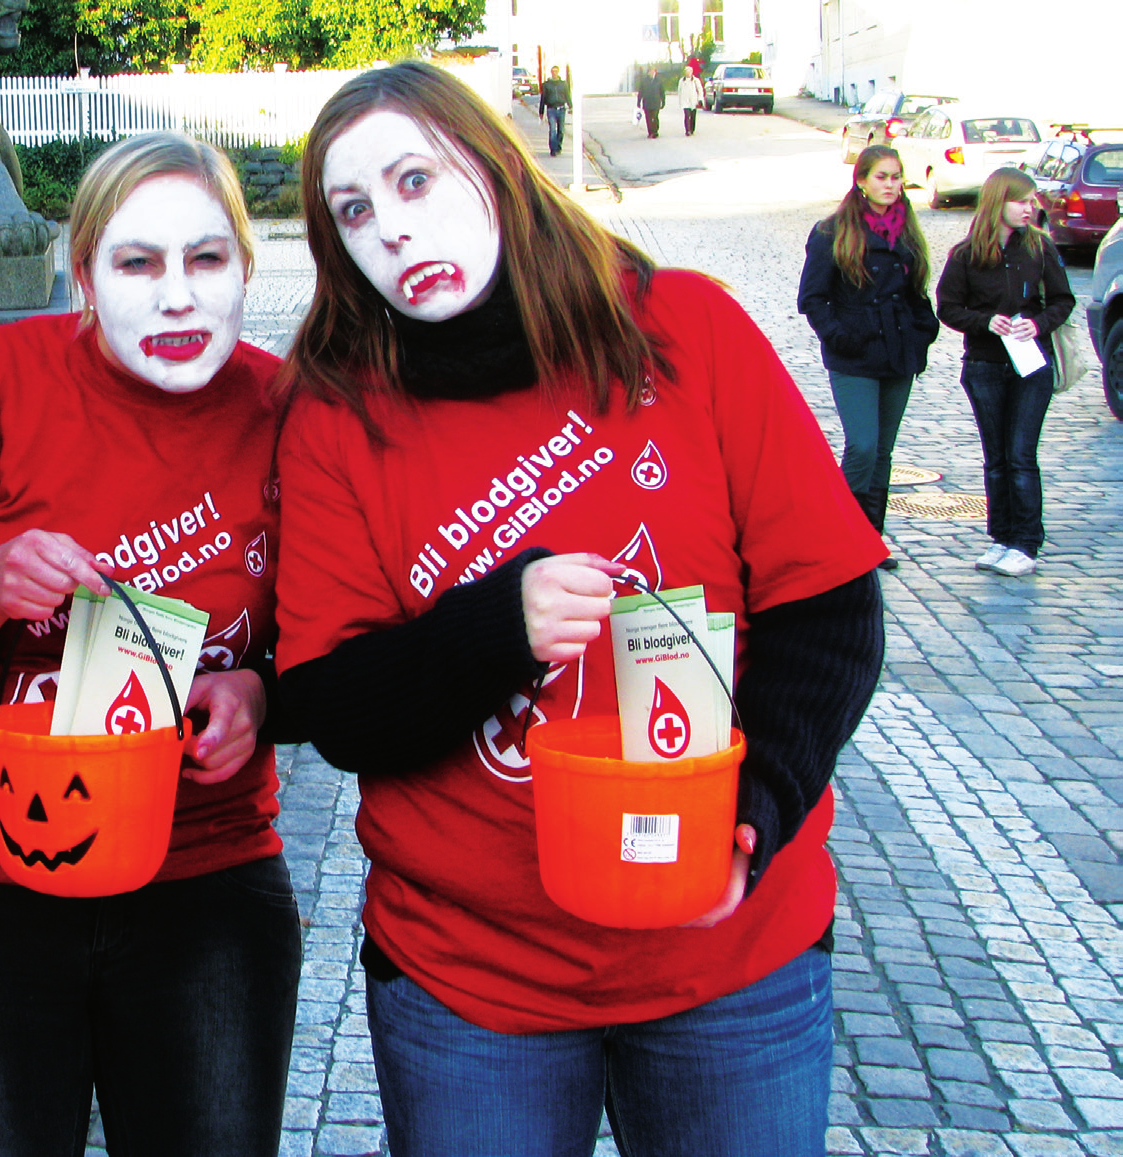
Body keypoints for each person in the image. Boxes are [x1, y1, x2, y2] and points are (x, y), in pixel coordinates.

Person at [274, 61, 884, 1156]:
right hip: (471, 984)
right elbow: (332, 701)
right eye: (353, 211)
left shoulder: (682, 329)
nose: (393, 232)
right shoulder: (338, 417)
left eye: (417, 181)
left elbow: (827, 609)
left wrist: (750, 817)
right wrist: (490, 631)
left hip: (730, 960)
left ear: (500, 170)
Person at [0, 132, 299, 1157]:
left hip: (206, 867)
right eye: (136, 262)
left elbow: (336, 642)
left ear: (243, 268)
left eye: (206, 259)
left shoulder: (287, 408)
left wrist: (260, 696)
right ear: (82, 274)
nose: (175, 296)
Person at [798, 145, 939, 570]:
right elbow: (813, 297)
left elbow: (915, 292)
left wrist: (923, 330)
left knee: (883, 451)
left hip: (899, 353)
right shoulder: (832, 231)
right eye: (882, 177)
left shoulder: (907, 230)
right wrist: (839, 336)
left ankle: (871, 539)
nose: (891, 185)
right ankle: (841, 534)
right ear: (861, 180)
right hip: (854, 354)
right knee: (862, 445)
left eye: (896, 177)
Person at [935, 166, 1075, 577]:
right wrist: (984, 321)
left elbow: (1063, 300)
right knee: (995, 458)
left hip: (1031, 366)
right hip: (985, 365)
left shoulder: (1040, 248)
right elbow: (948, 307)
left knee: (1020, 455)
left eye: (1033, 201)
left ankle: (1026, 543)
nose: (1030, 208)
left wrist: (1039, 324)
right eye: (1022, 201)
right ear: (999, 202)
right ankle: (1001, 538)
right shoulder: (966, 253)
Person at [540, 66, 571, 157]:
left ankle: (558, 146)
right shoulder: (546, 84)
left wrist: (571, 106)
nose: (554, 73)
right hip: (551, 109)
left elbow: (567, 95)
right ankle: (553, 149)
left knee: (561, 130)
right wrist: (541, 111)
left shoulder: (563, 84)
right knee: (553, 129)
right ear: (551, 72)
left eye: (556, 71)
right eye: (553, 71)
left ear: (558, 72)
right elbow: (543, 98)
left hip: (561, 109)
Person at [678, 60, 707, 136]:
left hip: (693, 101)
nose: (688, 73)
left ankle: (692, 129)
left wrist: (700, 99)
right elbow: (679, 91)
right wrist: (680, 101)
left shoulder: (695, 80)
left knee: (693, 116)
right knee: (687, 116)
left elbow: (700, 90)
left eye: (689, 71)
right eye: (686, 71)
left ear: (691, 72)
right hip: (685, 101)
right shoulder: (682, 81)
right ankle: (687, 130)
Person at [636, 67, 665, 139]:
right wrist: (639, 101)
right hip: (647, 102)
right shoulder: (644, 81)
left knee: (655, 117)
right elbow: (640, 92)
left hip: (656, 103)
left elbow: (662, 92)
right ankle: (650, 132)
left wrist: (663, 101)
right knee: (648, 118)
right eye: (650, 72)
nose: (652, 73)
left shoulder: (658, 81)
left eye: (653, 71)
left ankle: (655, 132)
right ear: (648, 73)